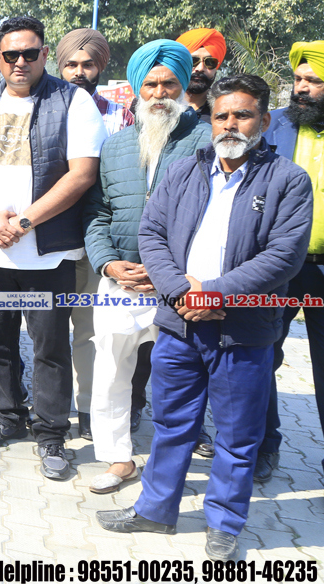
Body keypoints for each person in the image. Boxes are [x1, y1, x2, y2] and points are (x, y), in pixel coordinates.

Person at [98, 74, 312, 562]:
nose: (230, 124)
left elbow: (284, 257)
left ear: (264, 120)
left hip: (242, 331)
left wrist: (214, 294)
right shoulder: (184, 172)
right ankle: (156, 509)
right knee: (172, 423)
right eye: (222, 115)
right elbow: (152, 234)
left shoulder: (288, 180)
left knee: (237, 437)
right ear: (211, 120)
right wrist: (180, 291)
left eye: (243, 115)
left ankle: (224, 525)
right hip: (179, 324)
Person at [0, 16, 107, 480]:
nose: (20, 62)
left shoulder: (73, 101)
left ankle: (51, 432)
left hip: (47, 254)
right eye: (11, 54)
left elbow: (82, 173)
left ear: (43, 54)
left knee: (49, 348)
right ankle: (8, 415)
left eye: (29, 53)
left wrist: (25, 221)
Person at [83, 39, 210, 494]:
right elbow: (97, 213)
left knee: (179, 379)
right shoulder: (116, 145)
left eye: (169, 84)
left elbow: (213, 219)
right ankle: (118, 459)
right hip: (121, 283)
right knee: (110, 373)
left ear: (183, 86)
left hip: (177, 287)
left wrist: (169, 274)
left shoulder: (207, 142)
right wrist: (107, 264)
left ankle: (169, 467)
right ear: (137, 88)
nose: (159, 94)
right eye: (150, 85)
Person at [55, 28, 135, 441]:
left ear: (100, 67)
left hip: (94, 238)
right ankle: (49, 407)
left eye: (88, 65)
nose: (79, 72)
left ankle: (87, 409)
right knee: (46, 327)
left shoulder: (121, 117)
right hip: (47, 237)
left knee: (88, 328)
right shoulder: (44, 108)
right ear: (59, 66)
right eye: (71, 64)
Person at [261, 40, 324, 480]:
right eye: (298, 79)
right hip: (277, 269)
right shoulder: (274, 125)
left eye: (313, 81)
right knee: (261, 356)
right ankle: (264, 446)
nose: (301, 88)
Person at [175, 28, 226, 118]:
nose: (201, 68)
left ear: (216, 67)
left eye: (209, 62)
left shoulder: (224, 112)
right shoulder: (162, 106)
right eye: (193, 61)